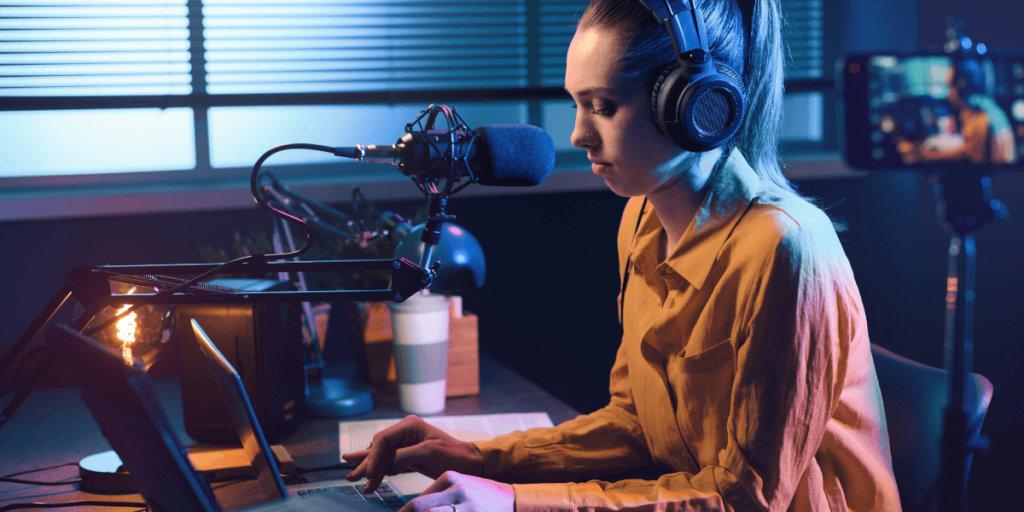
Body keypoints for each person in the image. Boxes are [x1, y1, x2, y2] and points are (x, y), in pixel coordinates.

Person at [343, 0, 902, 510]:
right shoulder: (640, 219)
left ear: (693, 106)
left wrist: (515, 503)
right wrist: (478, 457)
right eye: (577, 104)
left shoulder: (788, 249)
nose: (580, 134)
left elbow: (745, 497)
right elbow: (635, 422)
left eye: (604, 106)